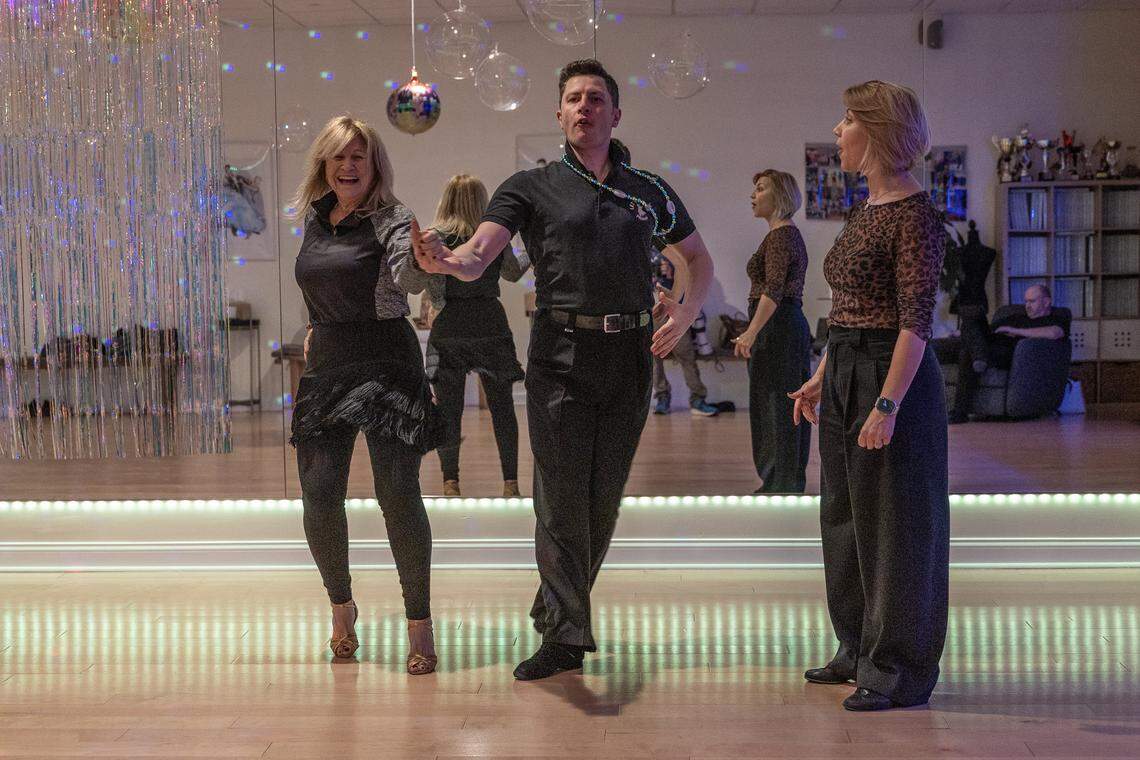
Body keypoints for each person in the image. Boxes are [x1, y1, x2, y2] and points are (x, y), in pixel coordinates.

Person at [410, 59, 715, 680]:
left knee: (602, 499)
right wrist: (440, 261)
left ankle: (555, 605)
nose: (584, 107)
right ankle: (568, 636)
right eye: (573, 98)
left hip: (630, 355)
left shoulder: (649, 189)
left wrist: (683, 316)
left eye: (596, 98)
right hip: (559, 354)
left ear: (616, 113)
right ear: (558, 114)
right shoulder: (530, 186)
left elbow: (697, 260)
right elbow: (476, 259)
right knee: (560, 496)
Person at [788, 81, 949, 711]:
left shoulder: (914, 214)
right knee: (845, 517)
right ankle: (857, 648)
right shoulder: (868, 205)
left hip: (893, 376)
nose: (837, 130)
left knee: (898, 528)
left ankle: (897, 669)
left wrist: (886, 406)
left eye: (847, 119)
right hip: (852, 362)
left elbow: (914, 320)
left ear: (878, 132)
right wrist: (824, 374)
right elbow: (852, 309)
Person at [288, 115, 439, 675]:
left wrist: (425, 262)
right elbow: (316, 282)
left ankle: (418, 620)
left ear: (375, 165)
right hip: (327, 362)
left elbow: (406, 276)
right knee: (319, 494)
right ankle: (342, 606)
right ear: (324, 165)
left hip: (386, 362)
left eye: (359, 157)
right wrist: (313, 327)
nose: (348, 166)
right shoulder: (315, 219)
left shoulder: (396, 219)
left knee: (397, 493)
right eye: (339, 157)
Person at [424, 174, 528, 497]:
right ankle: (510, 483)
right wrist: (530, 249)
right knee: (502, 409)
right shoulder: (492, 236)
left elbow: (431, 284)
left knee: (448, 410)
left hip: (450, 325)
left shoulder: (436, 237)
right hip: (489, 324)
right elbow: (512, 273)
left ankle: (450, 482)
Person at [733, 169, 811, 492]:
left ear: (780, 196)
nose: (754, 195)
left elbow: (774, 290)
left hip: (778, 327)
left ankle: (781, 483)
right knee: (777, 404)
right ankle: (782, 480)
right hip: (781, 326)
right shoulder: (781, 236)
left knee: (777, 406)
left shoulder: (782, 236)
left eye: (761, 189)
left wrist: (751, 331)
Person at [949, 283, 1069, 423]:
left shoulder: (1056, 318)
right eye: (1026, 301)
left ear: (1047, 302)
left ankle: (960, 412)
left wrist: (1014, 331)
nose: (1027, 306)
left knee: (966, 353)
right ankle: (979, 355)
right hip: (988, 345)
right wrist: (959, 333)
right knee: (971, 317)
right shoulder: (1016, 317)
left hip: (1008, 354)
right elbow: (987, 330)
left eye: (1032, 301)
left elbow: (1055, 333)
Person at [651, 240, 719, 418]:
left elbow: (691, 268)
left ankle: (697, 398)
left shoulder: (675, 244)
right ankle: (662, 397)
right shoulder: (643, 243)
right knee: (653, 357)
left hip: (674, 303)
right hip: (650, 304)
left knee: (686, 353)